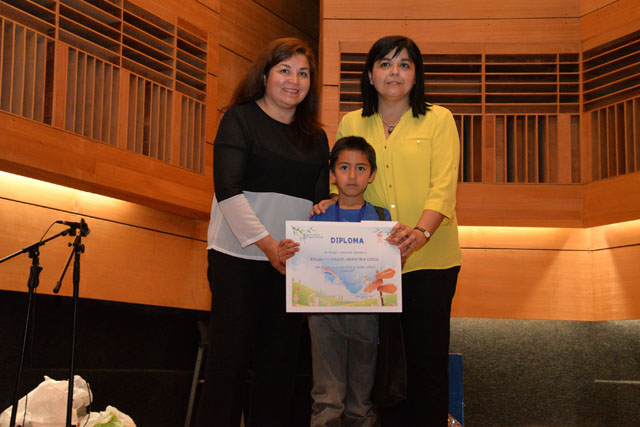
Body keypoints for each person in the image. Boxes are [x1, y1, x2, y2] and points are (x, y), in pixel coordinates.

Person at [313, 35, 462, 426]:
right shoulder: (352, 122)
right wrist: (329, 201)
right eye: (385, 63)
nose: (394, 72)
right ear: (370, 74)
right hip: (371, 267)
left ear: (416, 75)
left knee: (426, 364)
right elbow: (343, 180)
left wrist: (420, 234)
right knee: (379, 367)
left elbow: (443, 187)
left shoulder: (439, 119)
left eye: (404, 64)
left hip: (431, 261)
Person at [196, 38, 330, 427]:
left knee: (279, 369)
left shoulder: (316, 138)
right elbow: (228, 190)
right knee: (229, 365)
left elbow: (318, 203)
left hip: (290, 266)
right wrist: (269, 246)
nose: (294, 80)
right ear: (265, 75)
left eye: (303, 73)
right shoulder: (239, 119)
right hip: (237, 258)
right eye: (285, 70)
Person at [280, 136, 391, 427]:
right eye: (344, 167)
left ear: (372, 174)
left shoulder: (382, 217)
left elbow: (390, 269)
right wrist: (289, 256)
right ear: (332, 174)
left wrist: (397, 255)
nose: (352, 176)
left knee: (361, 401)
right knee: (327, 397)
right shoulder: (318, 215)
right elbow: (305, 265)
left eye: (361, 168)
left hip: (367, 316)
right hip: (323, 316)